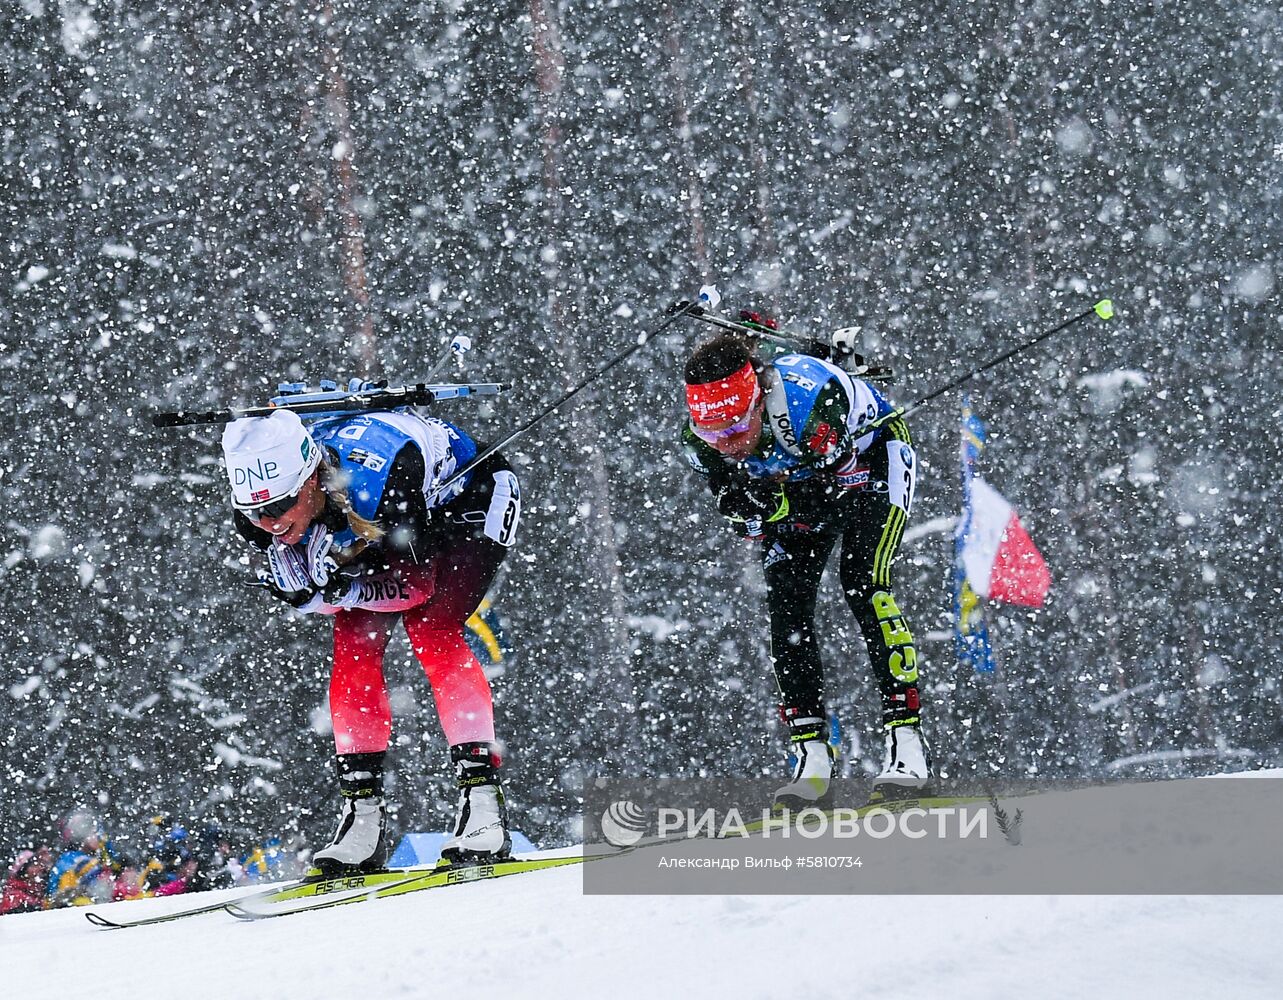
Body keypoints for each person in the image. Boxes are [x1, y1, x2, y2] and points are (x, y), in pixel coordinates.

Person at [220, 402, 521, 875]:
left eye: (280, 506)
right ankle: (362, 818)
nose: (271, 523)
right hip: (384, 526)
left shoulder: (381, 484)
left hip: (467, 498)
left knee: (432, 629)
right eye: (256, 512)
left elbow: (414, 587)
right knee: (354, 643)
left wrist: (348, 587)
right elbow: (329, 595)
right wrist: (314, 596)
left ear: (312, 480)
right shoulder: (262, 515)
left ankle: (483, 807)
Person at [681, 329, 931, 808]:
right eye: (714, 434)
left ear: (758, 401)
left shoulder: (806, 401)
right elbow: (737, 506)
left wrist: (769, 504)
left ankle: (908, 747)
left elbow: (833, 491)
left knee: (863, 581)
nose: (728, 444)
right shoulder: (701, 440)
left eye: (735, 428)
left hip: (871, 462)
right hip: (801, 481)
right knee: (787, 612)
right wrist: (752, 505)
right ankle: (812, 758)